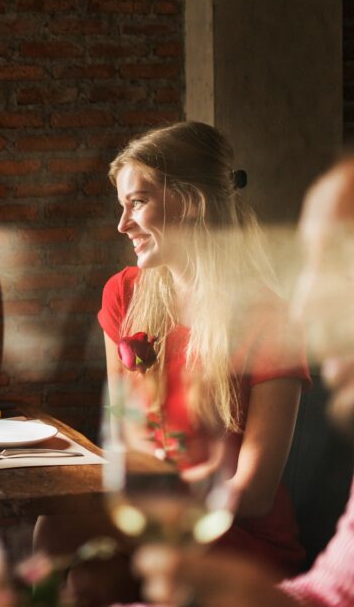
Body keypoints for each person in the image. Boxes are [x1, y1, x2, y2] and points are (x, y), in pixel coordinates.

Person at [36, 122, 309, 603]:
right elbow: (126, 438)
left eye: (137, 202)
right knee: (67, 548)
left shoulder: (269, 317)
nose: (123, 225)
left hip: (233, 538)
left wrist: (147, 503)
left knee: (65, 540)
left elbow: (255, 493)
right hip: (154, 520)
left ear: (191, 202)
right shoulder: (124, 293)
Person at [133, 157, 354, 606]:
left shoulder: (260, 317)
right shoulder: (137, 293)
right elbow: (332, 594)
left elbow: (251, 493)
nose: (306, 304)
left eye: (341, 261)